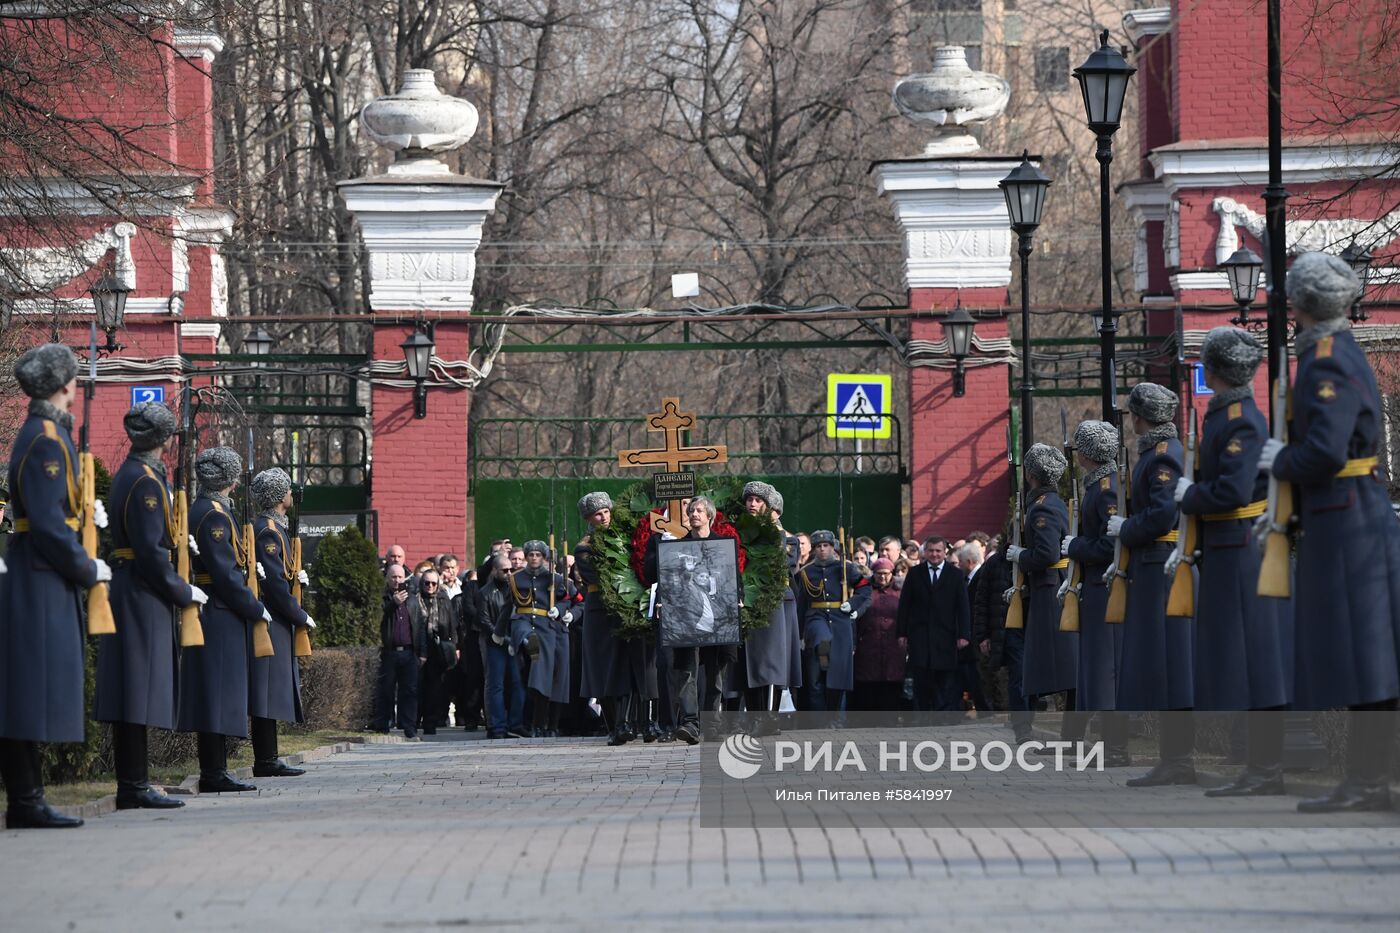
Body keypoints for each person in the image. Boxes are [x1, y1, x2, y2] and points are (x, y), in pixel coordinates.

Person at [1261, 252, 1400, 812]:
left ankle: (1368, 780)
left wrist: (1280, 460)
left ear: (1300, 303)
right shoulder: (1340, 350)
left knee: (1364, 655)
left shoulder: (1325, 361)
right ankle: (1369, 778)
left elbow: (1325, 451)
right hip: (1352, 514)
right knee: (1367, 655)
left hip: (1345, 520)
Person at [1171, 327, 1293, 796]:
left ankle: (1266, 768)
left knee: (1258, 661)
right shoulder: (1225, 413)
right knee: (1242, 662)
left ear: (1215, 368)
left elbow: (1234, 491)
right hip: (1227, 549)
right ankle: (1257, 766)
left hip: (1242, 550)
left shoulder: (1239, 419)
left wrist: (1191, 495)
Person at [0, 344, 107, 828]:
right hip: (40, 578)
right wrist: (86, 567)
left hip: (42, 575)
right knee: (26, 692)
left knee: (31, 689)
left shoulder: (48, 433)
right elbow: (45, 522)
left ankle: (29, 798)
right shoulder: (45, 439)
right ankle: (26, 801)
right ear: (65, 385)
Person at [95, 402, 206, 810]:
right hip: (141, 593)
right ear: (165, 439)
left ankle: (134, 783)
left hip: (135, 589)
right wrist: (182, 591)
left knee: (134, 690)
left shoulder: (137, 473)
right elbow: (149, 551)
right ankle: (133, 785)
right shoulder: (144, 481)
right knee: (136, 691)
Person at [1110, 382, 1196, 787]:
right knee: (1162, 666)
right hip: (1152, 566)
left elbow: (1162, 515)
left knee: (1170, 664)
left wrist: (1127, 528)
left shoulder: (1162, 455)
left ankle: (1178, 759)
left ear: (1141, 416)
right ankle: (1173, 758)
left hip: (1161, 566)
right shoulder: (1154, 452)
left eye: (1132, 413)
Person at [178, 447, 269, 793]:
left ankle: (216, 769)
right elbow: (225, 573)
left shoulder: (210, 508)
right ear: (229, 479)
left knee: (216, 694)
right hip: (218, 610)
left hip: (217, 608)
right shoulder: (213, 514)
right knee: (215, 695)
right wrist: (254, 606)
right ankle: (213, 772)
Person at [1061, 419, 1130, 766]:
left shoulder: (1106, 489)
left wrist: (1075, 547)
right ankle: (1109, 745)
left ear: (1088, 453)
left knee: (1107, 670)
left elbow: (1108, 545)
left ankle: (1116, 748)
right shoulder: (1097, 485)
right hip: (1094, 587)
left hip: (1105, 587)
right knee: (1097, 670)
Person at [1007, 443, 1078, 743]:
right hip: (1046, 587)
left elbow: (1047, 554)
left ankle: (1056, 733)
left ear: (1031, 474)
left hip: (1049, 590)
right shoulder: (1049, 501)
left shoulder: (1043, 506)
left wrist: (1020, 555)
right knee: (1061, 668)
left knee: (1054, 667)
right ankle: (1068, 734)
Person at [576, 491, 657, 746]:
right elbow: (600, 577)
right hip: (601, 611)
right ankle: (615, 725)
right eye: (597, 514)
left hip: (628, 608)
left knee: (632, 666)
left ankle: (637, 722)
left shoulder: (623, 538)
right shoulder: (584, 548)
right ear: (589, 518)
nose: (604, 517)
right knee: (606, 669)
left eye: (606, 512)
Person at [249, 467, 313, 777]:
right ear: (278, 497)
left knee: (271, 692)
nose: (290, 494)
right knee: (266, 693)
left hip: (278, 620)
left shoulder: (276, 528)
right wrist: (299, 614)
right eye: (286, 490)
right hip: (271, 621)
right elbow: (274, 585)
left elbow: (282, 575)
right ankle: (265, 759)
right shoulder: (268, 531)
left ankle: (269, 757)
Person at [736, 482, 802, 728]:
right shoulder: (740, 534)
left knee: (771, 662)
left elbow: (782, 566)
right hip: (747, 602)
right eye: (749, 500)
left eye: (758, 500)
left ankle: (768, 718)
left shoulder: (784, 538)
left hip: (773, 603)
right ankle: (756, 716)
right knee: (749, 663)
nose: (752, 504)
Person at [796, 529, 871, 717]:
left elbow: (865, 588)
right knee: (815, 680)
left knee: (838, 678)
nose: (822, 549)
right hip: (816, 618)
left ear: (832, 547)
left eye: (826, 545)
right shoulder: (806, 572)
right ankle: (818, 720)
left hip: (840, 621)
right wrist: (799, 635)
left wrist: (852, 604)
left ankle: (836, 719)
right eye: (818, 546)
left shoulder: (846, 568)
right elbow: (802, 605)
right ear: (814, 549)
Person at [895, 537, 969, 713]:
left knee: (945, 681)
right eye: (931, 551)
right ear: (925, 552)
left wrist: (964, 634)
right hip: (920, 637)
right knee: (921, 680)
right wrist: (901, 633)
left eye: (938, 551)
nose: (934, 554)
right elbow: (905, 605)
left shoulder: (955, 574)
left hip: (946, 636)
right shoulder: (915, 573)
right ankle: (923, 718)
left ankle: (943, 717)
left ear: (945, 552)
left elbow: (963, 607)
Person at [509, 540, 573, 736]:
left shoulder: (555, 579)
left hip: (553, 631)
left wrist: (561, 610)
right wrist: (503, 633)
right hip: (531, 630)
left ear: (544, 558)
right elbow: (508, 607)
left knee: (555, 679)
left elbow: (571, 599)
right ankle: (537, 724)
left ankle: (550, 726)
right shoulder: (516, 579)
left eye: (538, 555)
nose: (534, 558)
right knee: (538, 677)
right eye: (531, 555)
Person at [478, 552, 527, 738]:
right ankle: (497, 726)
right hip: (495, 643)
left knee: (517, 683)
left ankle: (516, 723)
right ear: (494, 570)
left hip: (513, 641)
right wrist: (502, 638)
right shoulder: (485, 593)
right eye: (504, 570)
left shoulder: (514, 590)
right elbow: (484, 621)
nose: (508, 573)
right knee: (495, 685)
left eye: (510, 570)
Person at [377, 563, 425, 737]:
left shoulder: (412, 599)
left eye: (400, 577)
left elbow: (420, 626)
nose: (397, 580)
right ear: (387, 579)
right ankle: (382, 725)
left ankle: (409, 727)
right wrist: (393, 604)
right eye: (393, 577)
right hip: (389, 652)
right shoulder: (382, 598)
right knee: (386, 690)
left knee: (409, 691)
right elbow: (379, 618)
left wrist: (422, 652)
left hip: (409, 652)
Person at [852, 557, 905, 711]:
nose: (882, 577)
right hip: (868, 645)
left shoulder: (900, 591)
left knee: (891, 685)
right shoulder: (864, 590)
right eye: (879, 573)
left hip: (894, 646)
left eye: (886, 574)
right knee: (868, 686)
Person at [970, 533, 1013, 712]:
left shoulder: (1029, 562)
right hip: (998, 632)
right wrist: (982, 636)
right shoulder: (994, 564)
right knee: (998, 680)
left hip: (1019, 631)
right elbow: (981, 602)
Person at [413, 566, 457, 735]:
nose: (430, 586)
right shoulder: (414, 600)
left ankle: (430, 723)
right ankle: (414, 721)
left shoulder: (443, 600)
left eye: (433, 583)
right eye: (426, 583)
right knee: (417, 686)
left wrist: (455, 647)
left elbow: (452, 625)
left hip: (438, 647)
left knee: (435, 688)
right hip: (418, 648)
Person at [956, 541, 992, 715]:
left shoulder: (980, 578)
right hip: (972, 638)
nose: (959, 566)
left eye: (960, 562)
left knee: (979, 676)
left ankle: (985, 708)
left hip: (977, 637)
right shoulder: (970, 579)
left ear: (969, 562)